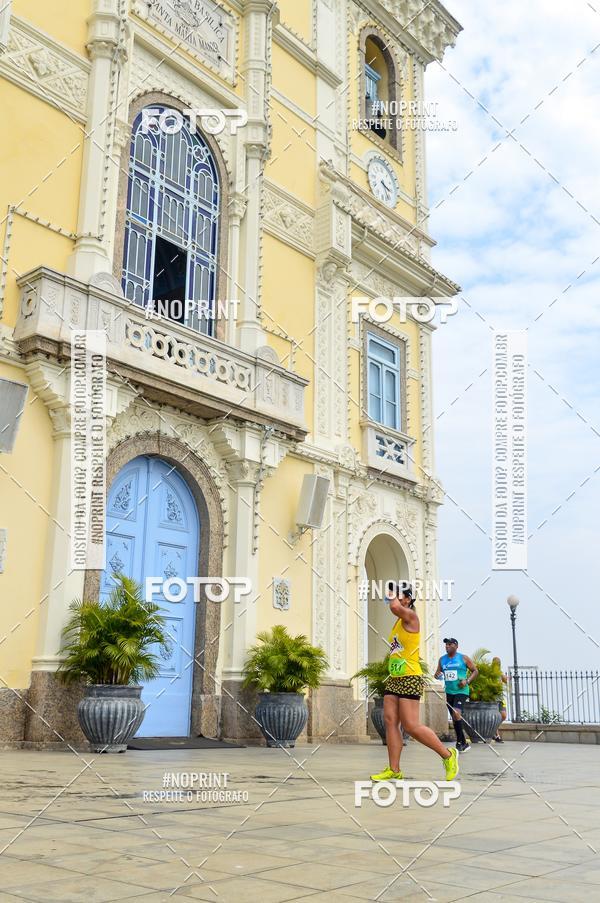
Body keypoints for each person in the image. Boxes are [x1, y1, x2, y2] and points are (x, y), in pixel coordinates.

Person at [370, 583, 459, 783]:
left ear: (407, 600)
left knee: (410, 726)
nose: (392, 598)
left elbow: (393, 607)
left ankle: (448, 755)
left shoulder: (411, 617)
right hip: (395, 677)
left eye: (398, 595)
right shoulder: (397, 623)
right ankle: (394, 770)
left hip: (410, 677)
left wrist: (391, 593)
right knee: (390, 721)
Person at [435, 639, 478, 752]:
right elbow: (437, 674)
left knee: (456, 713)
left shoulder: (463, 658)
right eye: (446, 645)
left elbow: (475, 671)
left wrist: (467, 681)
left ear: (456, 646)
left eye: (450, 644)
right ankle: (464, 743)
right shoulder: (442, 660)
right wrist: (437, 674)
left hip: (461, 691)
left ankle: (459, 743)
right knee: (455, 718)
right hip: (449, 692)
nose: (447, 646)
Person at [492, 656, 508, 742]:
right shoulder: (490, 673)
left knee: (503, 716)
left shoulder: (500, 673)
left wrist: (504, 677)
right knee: (495, 717)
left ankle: (493, 731)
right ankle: (496, 735)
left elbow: (505, 681)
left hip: (500, 698)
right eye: (495, 663)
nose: (497, 664)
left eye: (498, 663)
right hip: (492, 698)